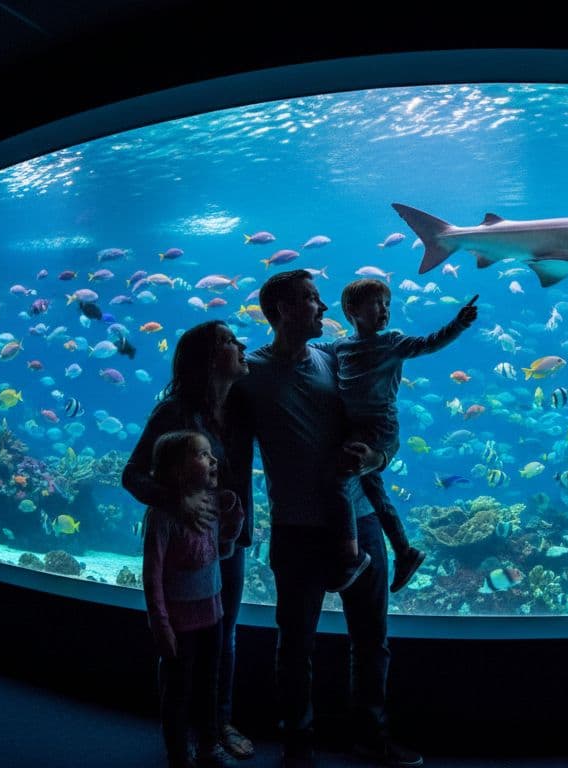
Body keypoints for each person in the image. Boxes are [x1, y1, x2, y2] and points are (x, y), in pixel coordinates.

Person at [227, 269, 423, 768]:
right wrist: (239, 524)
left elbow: (381, 431)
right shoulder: (249, 375)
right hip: (296, 529)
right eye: (313, 300)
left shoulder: (336, 359)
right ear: (281, 310)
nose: (324, 308)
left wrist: (375, 459)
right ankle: (298, 744)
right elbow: (234, 453)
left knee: (372, 640)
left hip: (361, 520)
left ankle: (371, 736)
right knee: (296, 643)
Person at [123, 320, 256, 762]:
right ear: (208, 357)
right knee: (182, 655)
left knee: (224, 636)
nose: (240, 345)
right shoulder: (174, 412)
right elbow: (133, 474)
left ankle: (215, 728)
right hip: (182, 548)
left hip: (225, 544)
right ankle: (184, 738)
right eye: (229, 341)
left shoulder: (240, 406)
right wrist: (174, 501)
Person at [331, 278, 477, 592]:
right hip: (357, 428)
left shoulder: (392, 341)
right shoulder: (340, 346)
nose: (384, 310)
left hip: (379, 427)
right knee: (374, 493)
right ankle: (405, 551)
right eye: (376, 303)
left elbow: (430, 343)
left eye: (387, 304)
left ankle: (351, 554)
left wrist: (458, 324)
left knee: (342, 478)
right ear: (352, 310)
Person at [140, 430, 245, 768]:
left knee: (208, 685)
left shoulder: (213, 502)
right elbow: (152, 575)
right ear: (177, 470)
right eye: (202, 455)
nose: (213, 460)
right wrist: (161, 624)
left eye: (211, 454)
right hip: (179, 621)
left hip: (212, 613)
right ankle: (178, 755)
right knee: (178, 693)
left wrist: (234, 517)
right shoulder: (163, 516)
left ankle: (208, 746)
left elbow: (223, 552)